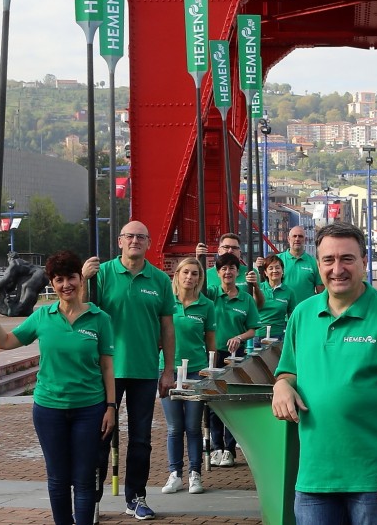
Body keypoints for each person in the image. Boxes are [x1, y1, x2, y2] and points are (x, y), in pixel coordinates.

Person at [272, 221, 377, 525]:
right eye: (328, 260)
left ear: (364, 262)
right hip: (314, 477)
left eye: (347, 258)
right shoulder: (302, 314)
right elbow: (287, 371)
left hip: (375, 479)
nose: (337, 268)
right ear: (317, 264)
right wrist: (281, 386)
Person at [0, 250, 116, 525]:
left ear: (81, 279)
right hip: (49, 409)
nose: (66, 285)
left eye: (71, 278)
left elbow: (107, 367)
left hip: (90, 409)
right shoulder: (43, 317)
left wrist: (111, 407)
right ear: (52, 284)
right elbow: (5, 342)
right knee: (57, 478)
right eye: (59, 279)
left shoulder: (100, 319)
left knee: (84, 479)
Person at [82, 221, 176, 521]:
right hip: (106, 370)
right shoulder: (102, 274)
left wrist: (169, 369)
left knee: (141, 439)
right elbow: (82, 311)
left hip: (144, 369)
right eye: (129, 236)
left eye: (141, 237)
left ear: (148, 243)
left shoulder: (159, 280)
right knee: (99, 436)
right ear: (120, 241)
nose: (135, 241)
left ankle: (136, 497)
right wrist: (85, 280)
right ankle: (91, 499)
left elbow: (167, 327)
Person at [159, 256, 215, 496]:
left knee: (193, 426)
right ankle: (175, 474)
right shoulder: (166, 302)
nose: (190, 277)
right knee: (174, 427)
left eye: (195, 274)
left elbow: (211, 341)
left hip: (196, 371)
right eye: (186, 273)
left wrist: (211, 371)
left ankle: (195, 473)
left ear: (199, 278)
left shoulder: (206, 305)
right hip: (168, 371)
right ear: (177, 275)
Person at [207, 251, 261, 467]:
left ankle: (229, 448)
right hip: (212, 354)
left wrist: (239, 337)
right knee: (212, 401)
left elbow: (253, 329)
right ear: (218, 272)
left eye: (231, 268)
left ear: (237, 272)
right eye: (223, 268)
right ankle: (215, 446)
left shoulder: (245, 298)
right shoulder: (211, 294)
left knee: (231, 400)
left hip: (235, 356)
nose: (228, 272)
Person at [196, 233, 262, 302]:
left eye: (234, 248)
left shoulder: (250, 272)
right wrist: (198, 259)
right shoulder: (207, 274)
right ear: (219, 251)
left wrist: (256, 287)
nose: (230, 250)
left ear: (239, 252)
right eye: (226, 247)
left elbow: (258, 304)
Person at [258, 253, 298, 341]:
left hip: (278, 337)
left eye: (277, 267)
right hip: (257, 337)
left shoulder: (289, 292)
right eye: (270, 268)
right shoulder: (257, 289)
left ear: (282, 270)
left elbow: (292, 318)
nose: (274, 271)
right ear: (265, 272)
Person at [281, 225, 323, 301]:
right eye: (294, 236)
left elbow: (321, 292)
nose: (297, 239)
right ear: (288, 239)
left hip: (307, 311)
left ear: (305, 239)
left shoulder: (314, 263)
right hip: (283, 311)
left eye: (300, 236)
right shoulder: (278, 260)